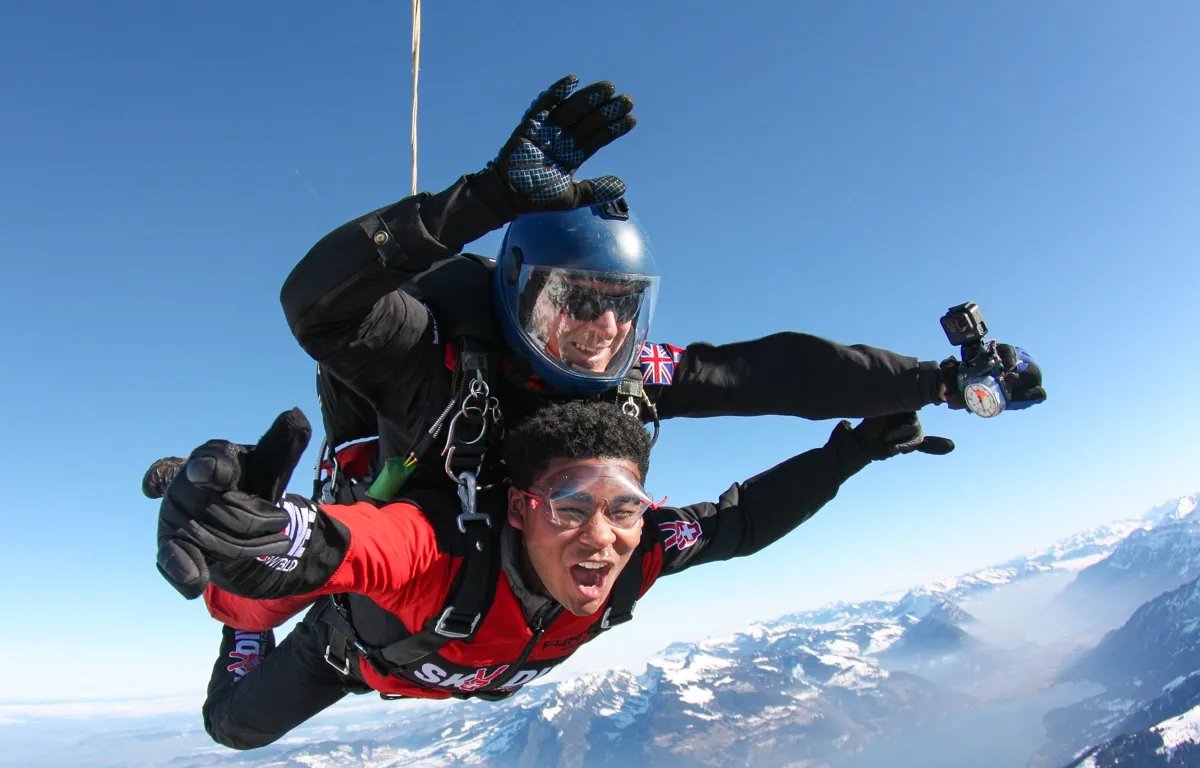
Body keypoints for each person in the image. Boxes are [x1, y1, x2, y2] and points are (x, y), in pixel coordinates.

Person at [277, 74, 1046, 506]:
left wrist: (939, 381)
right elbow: (316, 303)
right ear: (517, 296)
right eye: (577, 300)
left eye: (623, 303)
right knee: (243, 722)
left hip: (515, 594)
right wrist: (478, 202)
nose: (605, 326)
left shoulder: (635, 374)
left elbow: (772, 373)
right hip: (392, 569)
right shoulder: (433, 351)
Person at [154, 402, 953, 750]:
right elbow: (352, 546)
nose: (601, 539)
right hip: (348, 653)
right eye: (569, 509)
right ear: (519, 509)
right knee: (233, 725)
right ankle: (243, 623)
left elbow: (740, 524)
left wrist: (854, 451)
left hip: (432, 660)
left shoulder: (642, 550)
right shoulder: (438, 554)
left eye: (625, 508)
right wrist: (264, 541)